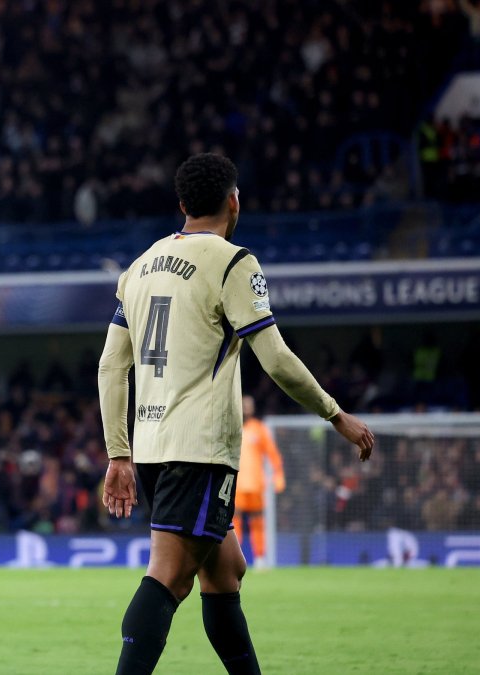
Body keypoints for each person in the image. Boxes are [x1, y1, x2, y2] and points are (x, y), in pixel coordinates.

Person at [96, 153, 375, 674]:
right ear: (233, 201)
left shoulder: (138, 267)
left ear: (181, 205)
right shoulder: (232, 262)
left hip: (153, 448)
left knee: (225, 572)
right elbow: (277, 360)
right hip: (200, 448)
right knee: (170, 576)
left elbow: (112, 366)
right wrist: (336, 415)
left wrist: (118, 453)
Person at [234, 395, 285, 567]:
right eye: (243, 405)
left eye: (249, 405)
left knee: (258, 522)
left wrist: (278, 474)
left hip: (256, 484)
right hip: (236, 485)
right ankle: (235, 558)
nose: (246, 408)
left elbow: (273, 454)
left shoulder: (259, 429)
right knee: (234, 522)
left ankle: (260, 558)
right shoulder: (231, 428)